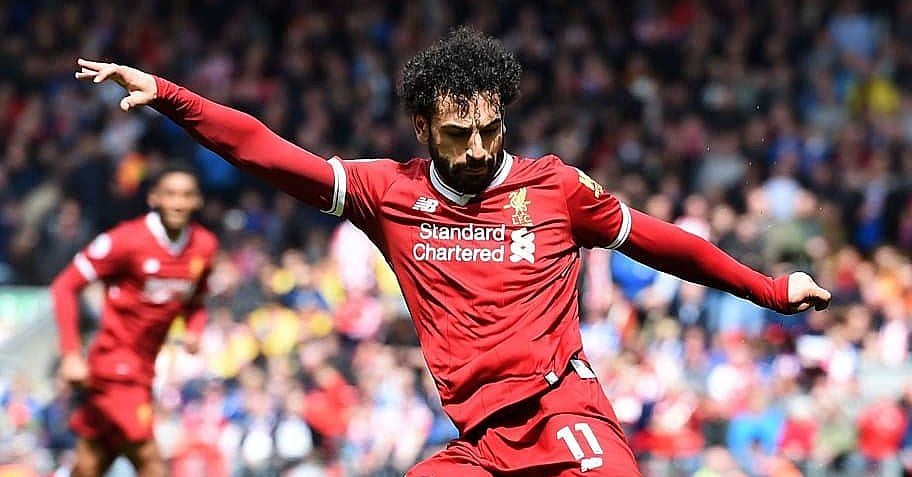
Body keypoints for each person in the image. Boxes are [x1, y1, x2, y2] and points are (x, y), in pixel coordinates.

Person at [74, 27, 830, 476]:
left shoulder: (556, 189)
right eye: (458, 133)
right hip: (479, 444)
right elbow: (267, 151)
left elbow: (664, 243)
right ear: (421, 128)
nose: (477, 148)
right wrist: (171, 95)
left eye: (491, 130)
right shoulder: (387, 192)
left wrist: (769, 289)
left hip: (563, 415)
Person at [50, 164, 219, 477]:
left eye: (186, 195)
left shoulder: (204, 247)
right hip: (115, 366)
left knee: (90, 463)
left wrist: (194, 330)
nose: (178, 203)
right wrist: (71, 353)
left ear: (198, 201)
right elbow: (64, 286)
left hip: (145, 368)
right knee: (149, 459)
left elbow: (196, 300)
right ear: (154, 198)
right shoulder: (126, 240)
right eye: (170, 194)